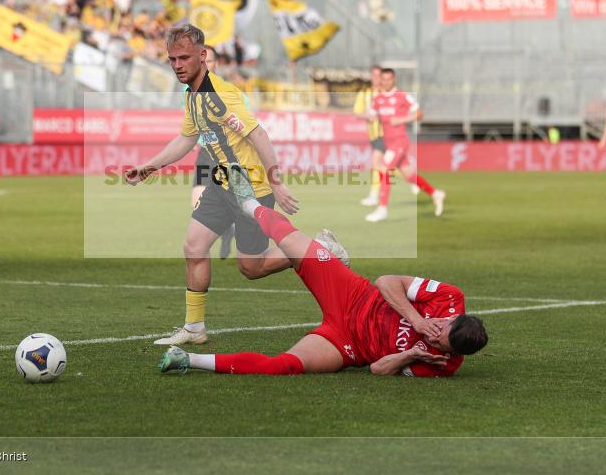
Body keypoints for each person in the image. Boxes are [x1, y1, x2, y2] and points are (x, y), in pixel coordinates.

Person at [127, 25, 345, 346]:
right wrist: (151, 166)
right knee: (194, 247)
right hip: (222, 182)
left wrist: (276, 180)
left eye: (184, 57)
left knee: (251, 267)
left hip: (251, 187)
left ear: (202, 56)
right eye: (172, 58)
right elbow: (186, 138)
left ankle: (321, 250)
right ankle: (194, 328)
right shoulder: (192, 97)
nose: (176, 65)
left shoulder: (220, 95)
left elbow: (257, 134)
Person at [159, 164, 488, 377]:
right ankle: (250, 204)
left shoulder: (442, 363)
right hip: (354, 294)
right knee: (289, 238)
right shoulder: (448, 298)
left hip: (348, 344)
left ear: (451, 352)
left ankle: (187, 360)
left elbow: (377, 369)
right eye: (442, 326)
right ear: (452, 317)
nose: (436, 332)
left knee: (284, 366)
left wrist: (409, 356)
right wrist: (417, 320)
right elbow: (386, 282)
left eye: (440, 340)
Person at [365, 68, 444, 222]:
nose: (386, 82)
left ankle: (382, 209)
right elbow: (371, 114)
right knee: (409, 175)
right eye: (384, 79)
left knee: (385, 169)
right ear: (381, 80)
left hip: (400, 141)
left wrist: (402, 119)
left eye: (389, 79)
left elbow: (419, 114)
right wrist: (371, 117)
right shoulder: (378, 99)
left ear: (394, 80)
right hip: (389, 142)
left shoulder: (402, 96)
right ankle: (435, 193)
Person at [190, 44, 236, 260]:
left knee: (224, 201)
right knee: (196, 202)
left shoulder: (228, 92)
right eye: (202, 61)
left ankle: (222, 235)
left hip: (224, 155)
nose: (205, 65)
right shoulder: (189, 91)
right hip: (204, 154)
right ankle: (223, 233)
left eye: (209, 61)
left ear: (216, 64)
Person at [354, 65, 386, 207]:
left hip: (385, 133)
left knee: (376, 162)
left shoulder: (386, 93)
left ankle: (374, 196)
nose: (376, 78)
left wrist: (380, 115)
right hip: (372, 134)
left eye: (378, 75)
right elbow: (357, 112)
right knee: (391, 165)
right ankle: (415, 181)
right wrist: (367, 115)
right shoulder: (365, 93)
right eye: (373, 75)